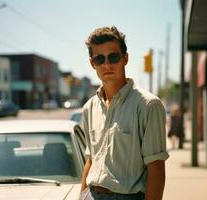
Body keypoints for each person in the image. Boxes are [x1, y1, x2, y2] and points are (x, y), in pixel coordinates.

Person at [80, 26, 169, 200]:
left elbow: (156, 169)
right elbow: (90, 160)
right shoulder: (89, 108)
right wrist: (81, 195)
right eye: (100, 59)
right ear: (92, 63)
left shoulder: (148, 105)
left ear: (125, 58)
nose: (107, 65)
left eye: (113, 57)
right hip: (90, 195)